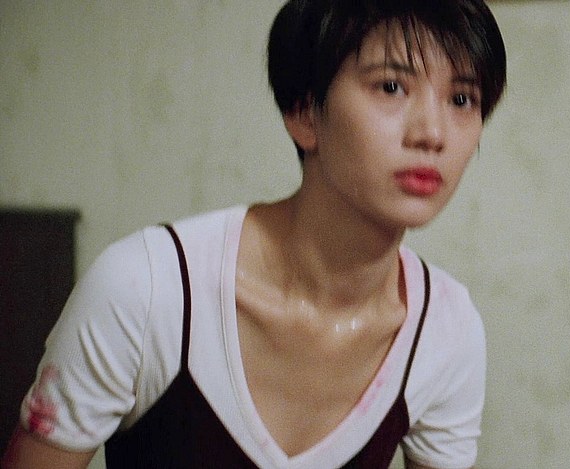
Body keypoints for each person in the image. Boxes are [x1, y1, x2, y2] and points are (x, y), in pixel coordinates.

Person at [1, 0, 506, 467]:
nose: (432, 133)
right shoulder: (149, 288)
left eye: (462, 99)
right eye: (391, 87)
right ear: (304, 111)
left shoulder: (446, 330)